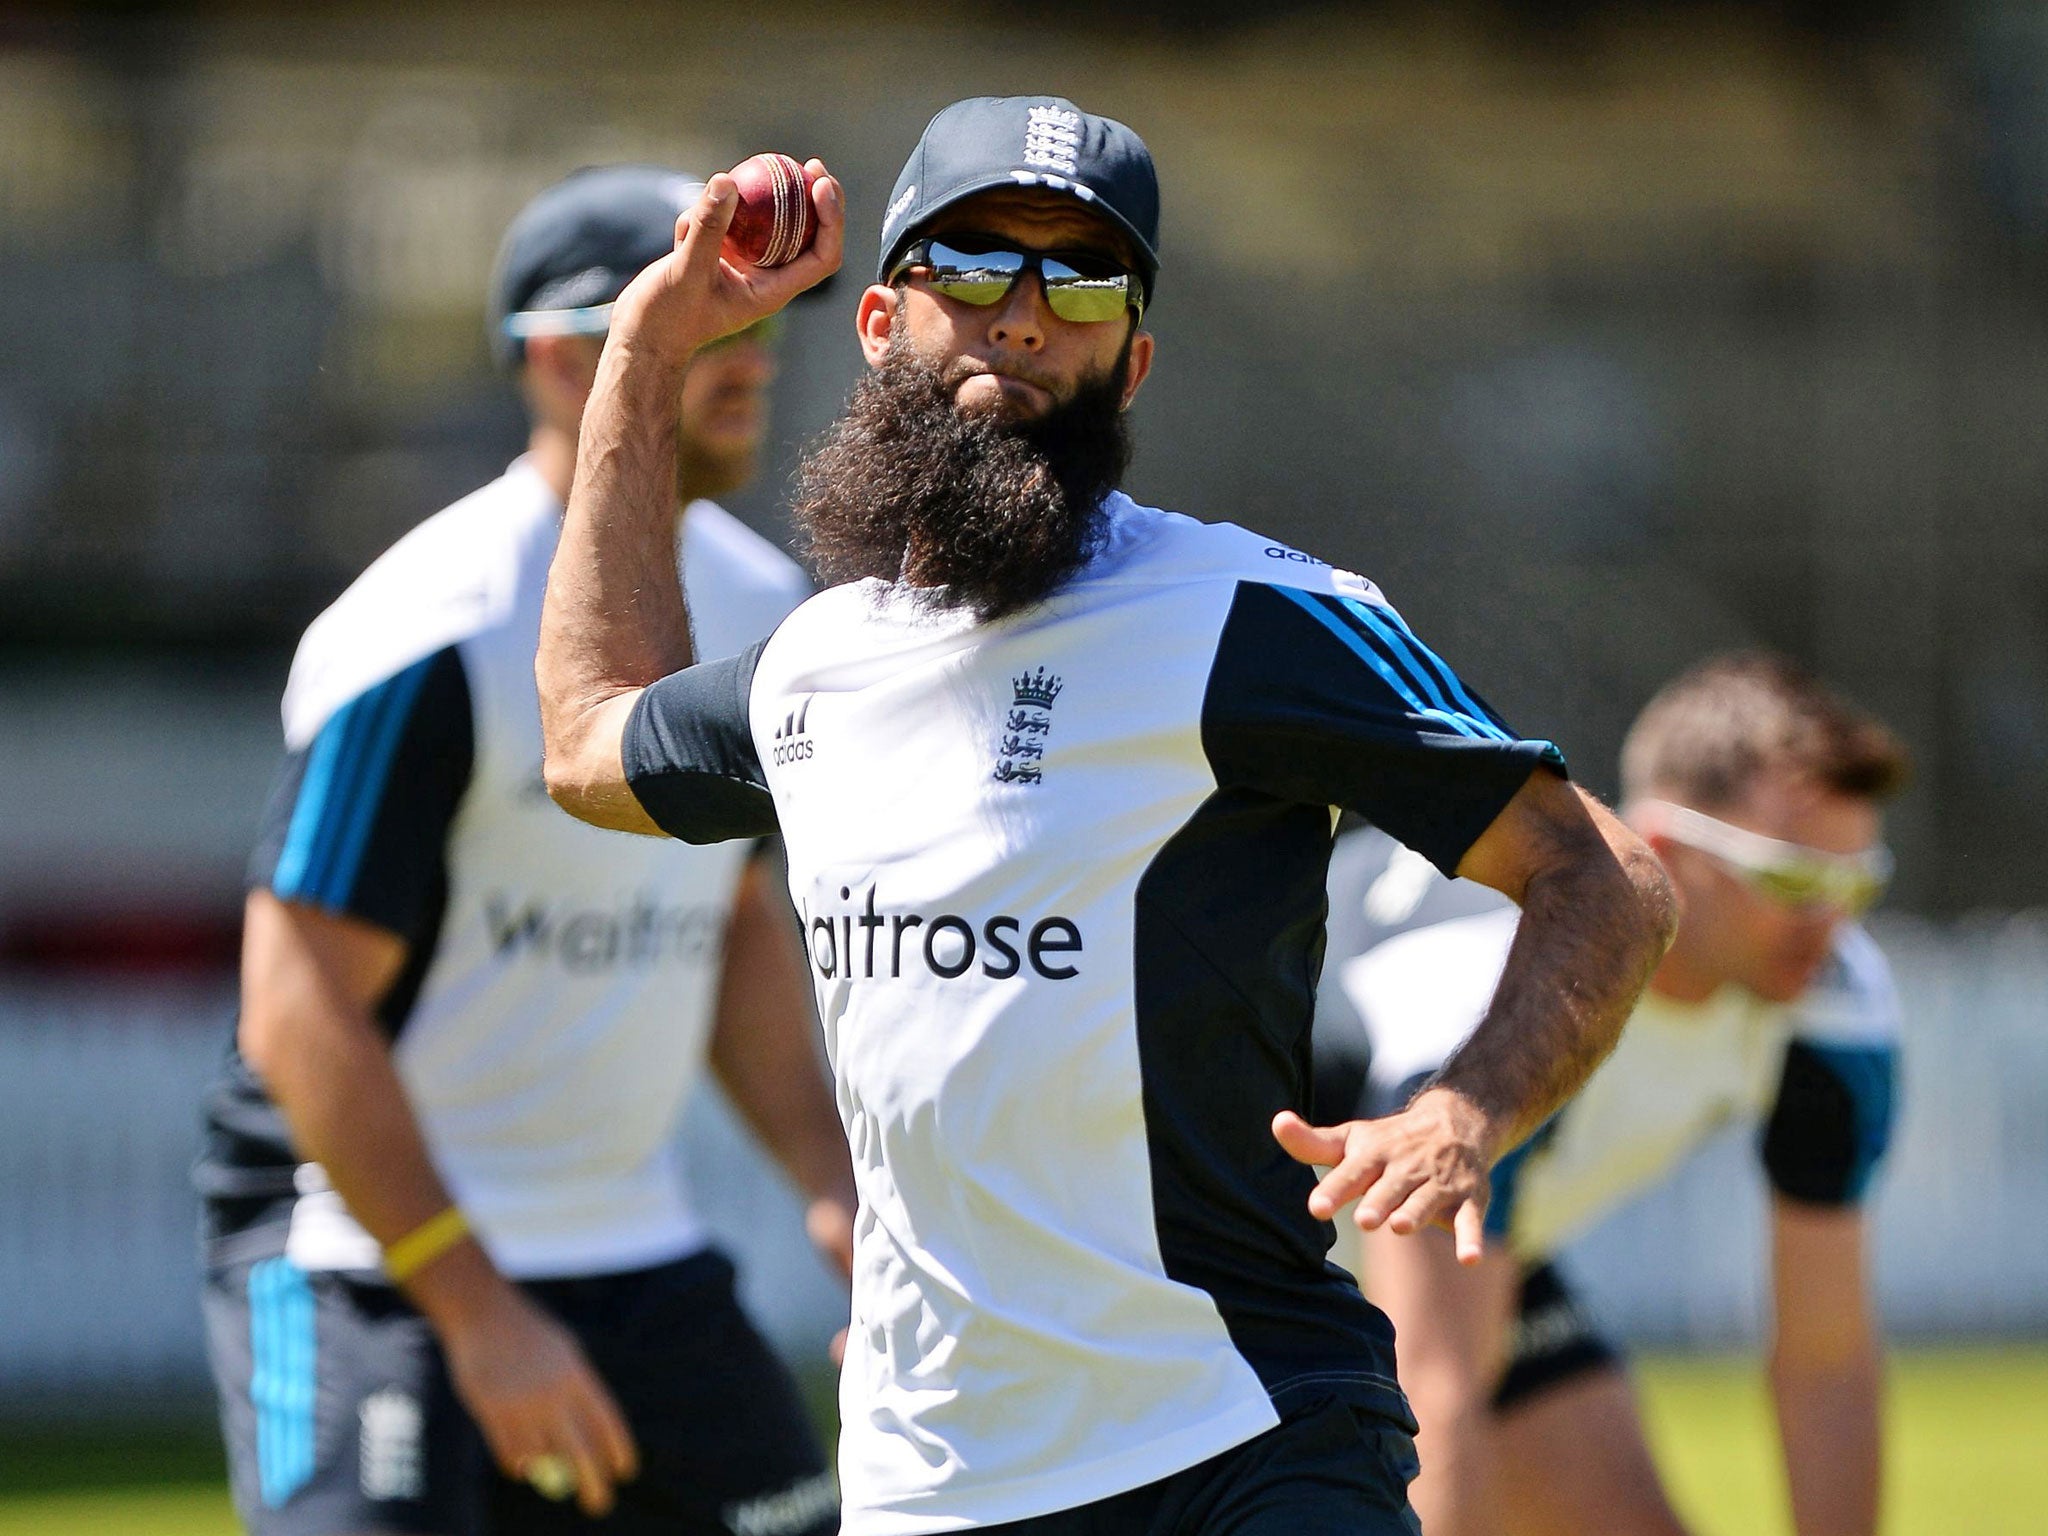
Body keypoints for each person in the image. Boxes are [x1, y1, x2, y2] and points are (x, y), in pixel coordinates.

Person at [533, 97, 1678, 1536]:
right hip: (932, 1475)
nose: (1021, 316)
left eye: (1077, 282)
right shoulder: (816, 664)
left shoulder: (1257, 620)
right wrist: (644, 356)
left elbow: (1606, 878)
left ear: (1129, 363)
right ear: (881, 318)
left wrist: (1465, 1109)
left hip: (1246, 1438)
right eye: (975, 268)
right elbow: (586, 742)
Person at [195, 164, 854, 1536]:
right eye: (705, 318)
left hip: (633, 1250)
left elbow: (727, 914)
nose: (756, 358)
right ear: (564, 357)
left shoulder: (765, 606)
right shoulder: (434, 628)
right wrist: (478, 1314)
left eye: (765, 319)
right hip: (365, 1257)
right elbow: (293, 1001)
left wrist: (836, 1193)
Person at [1330, 652, 1908, 1536]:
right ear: (1666, 853)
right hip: (1207, 1230)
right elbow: (1433, 1397)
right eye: (1793, 882)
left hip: (1436, 1254)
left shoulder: (1835, 1004)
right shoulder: (1486, 995)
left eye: (1856, 883)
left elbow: (1826, 1361)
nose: (1830, 923)